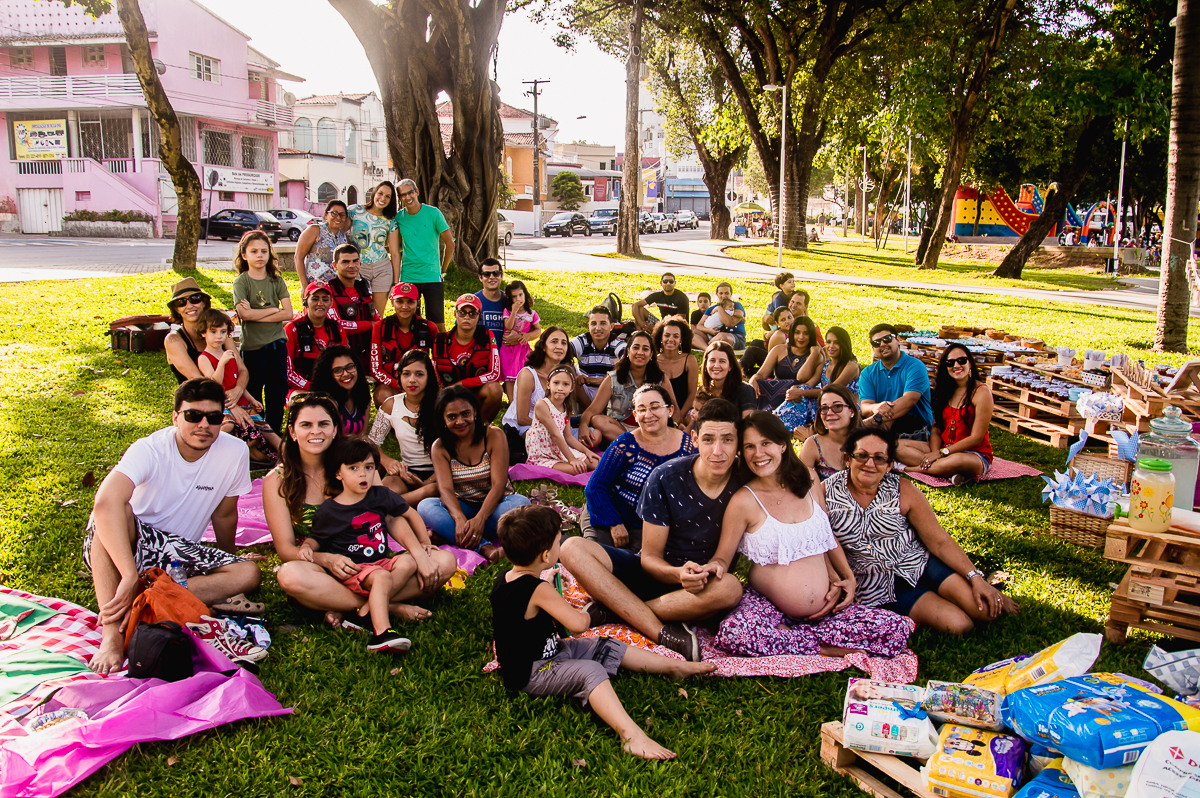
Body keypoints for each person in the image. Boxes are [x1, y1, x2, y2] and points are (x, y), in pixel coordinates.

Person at [490, 505, 714, 761]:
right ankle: (630, 735)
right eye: (557, 542)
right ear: (545, 555)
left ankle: (671, 667)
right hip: (532, 672)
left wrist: (548, 586)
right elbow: (576, 625)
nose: (559, 544)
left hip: (547, 650)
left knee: (600, 644)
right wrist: (588, 614)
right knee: (591, 670)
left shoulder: (506, 579)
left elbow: (523, 606)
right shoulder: (539, 590)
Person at [83, 378, 261, 675]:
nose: (203, 425)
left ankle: (145, 601)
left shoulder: (235, 452)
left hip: (177, 553)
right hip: (131, 541)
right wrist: (128, 574)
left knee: (248, 573)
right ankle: (112, 636)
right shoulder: (149, 449)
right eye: (193, 416)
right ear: (176, 416)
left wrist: (230, 559)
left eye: (213, 418)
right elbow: (104, 504)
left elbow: (226, 515)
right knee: (109, 516)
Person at [559, 399, 747, 662]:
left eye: (727, 440)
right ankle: (659, 631)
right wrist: (678, 573)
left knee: (731, 588)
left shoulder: (746, 480)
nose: (717, 451)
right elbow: (649, 560)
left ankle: (616, 611)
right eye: (708, 439)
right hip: (655, 575)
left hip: (702, 587)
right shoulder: (665, 477)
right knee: (571, 548)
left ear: (739, 442)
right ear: (694, 438)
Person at [713, 413, 912, 658]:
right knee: (736, 633)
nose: (758, 453)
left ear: (783, 445)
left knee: (896, 628)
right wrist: (709, 569)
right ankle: (819, 646)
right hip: (767, 606)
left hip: (825, 607)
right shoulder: (743, 500)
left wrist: (847, 578)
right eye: (749, 446)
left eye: (766, 443)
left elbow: (827, 536)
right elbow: (722, 557)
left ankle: (792, 639)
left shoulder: (808, 480)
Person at [266, 393, 455, 627]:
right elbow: (285, 549)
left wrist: (419, 554)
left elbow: (390, 517)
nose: (316, 431)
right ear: (293, 432)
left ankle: (357, 606)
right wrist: (326, 559)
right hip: (318, 570)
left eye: (323, 424)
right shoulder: (277, 480)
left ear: (335, 429)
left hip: (372, 567)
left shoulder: (359, 465)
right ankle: (388, 606)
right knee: (289, 575)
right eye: (306, 425)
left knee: (444, 561)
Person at [824, 427, 1019, 633]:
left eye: (880, 458)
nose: (870, 464)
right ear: (848, 458)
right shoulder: (824, 493)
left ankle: (972, 581)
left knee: (986, 610)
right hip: (876, 584)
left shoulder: (903, 489)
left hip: (919, 563)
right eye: (862, 456)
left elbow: (939, 541)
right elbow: (819, 545)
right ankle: (936, 595)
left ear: (890, 465)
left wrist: (976, 578)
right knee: (959, 625)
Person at [301, 437, 448, 653]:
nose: (363, 474)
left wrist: (424, 543)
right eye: (353, 468)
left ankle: (365, 610)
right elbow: (316, 539)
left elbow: (411, 514)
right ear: (338, 474)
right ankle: (381, 633)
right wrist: (307, 547)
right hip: (355, 570)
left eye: (369, 467)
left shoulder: (380, 495)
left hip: (380, 562)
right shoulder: (330, 510)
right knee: (381, 576)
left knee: (407, 561)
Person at [417, 385, 530, 563]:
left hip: (497, 505)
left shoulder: (493, 435)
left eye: (465, 414)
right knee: (425, 506)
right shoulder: (439, 447)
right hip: (463, 505)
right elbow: (445, 489)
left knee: (521, 504)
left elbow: (499, 485)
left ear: (475, 412)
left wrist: (480, 519)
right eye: (452, 417)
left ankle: (451, 535)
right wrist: (460, 518)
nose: (460, 421)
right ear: (443, 419)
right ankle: (483, 546)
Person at [582, 384, 697, 552]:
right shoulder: (625, 444)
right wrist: (614, 523)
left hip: (661, 528)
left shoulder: (688, 447)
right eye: (641, 410)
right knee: (597, 558)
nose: (648, 415)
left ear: (670, 410)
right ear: (635, 416)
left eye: (655, 407)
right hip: (619, 517)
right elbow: (596, 487)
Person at [897, 344, 995, 485]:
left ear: (970, 363)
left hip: (974, 454)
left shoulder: (981, 392)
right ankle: (949, 472)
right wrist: (935, 452)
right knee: (897, 446)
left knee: (956, 460)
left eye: (961, 360)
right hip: (944, 448)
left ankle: (907, 469)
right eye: (950, 362)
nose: (956, 365)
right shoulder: (944, 390)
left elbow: (976, 438)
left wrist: (941, 453)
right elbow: (936, 429)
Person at [196, 308, 281, 462]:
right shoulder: (204, 358)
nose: (218, 337)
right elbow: (214, 384)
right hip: (224, 405)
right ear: (203, 333)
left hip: (243, 403)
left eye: (222, 332)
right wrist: (221, 364)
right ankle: (208, 455)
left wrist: (251, 398)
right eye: (213, 332)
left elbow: (237, 383)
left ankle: (292, 457)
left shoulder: (231, 354)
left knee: (269, 432)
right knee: (227, 427)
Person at [231, 231, 292, 433]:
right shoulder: (242, 281)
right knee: (254, 391)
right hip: (253, 348)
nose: (260, 255)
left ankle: (273, 431)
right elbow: (243, 315)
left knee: (277, 392)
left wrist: (256, 312)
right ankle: (255, 431)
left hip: (277, 345)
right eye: (254, 251)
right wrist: (274, 310)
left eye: (264, 251)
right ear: (244, 255)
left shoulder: (276, 281)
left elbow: (289, 313)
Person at [579, 331, 678, 448]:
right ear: (628, 351)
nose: (640, 352)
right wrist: (583, 426)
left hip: (650, 427)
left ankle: (635, 445)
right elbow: (592, 411)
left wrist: (672, 426)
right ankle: (639, 446)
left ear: (651, 355)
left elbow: (675, 410)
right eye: (635, 348)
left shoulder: (660, 378)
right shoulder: (613, 378)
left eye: (645, 349)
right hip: (620, 430)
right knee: (598, 420)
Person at [369, 349, 441, 502]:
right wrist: (385, 460)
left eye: (419, 374)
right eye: (406, 374)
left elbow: (456, 450)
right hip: (407, 472)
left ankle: (390, 505)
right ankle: (407, 501)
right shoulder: (391, 404)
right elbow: (371, 442)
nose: (412, 380)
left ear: (429, 376)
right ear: (399, 376)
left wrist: (425, 483)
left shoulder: (442, 404)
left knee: (432, 489)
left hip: (440, 473)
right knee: (388, 484)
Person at [430, 294, 503, 423]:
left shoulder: (487, 336)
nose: (466, 317)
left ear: (480, 316)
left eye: (472, 314)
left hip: (475, 394)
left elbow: (495, 374)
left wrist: (461, 385)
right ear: (455, 314)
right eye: (462, 313)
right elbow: (433, 375)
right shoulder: (441, 340)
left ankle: (481, 428)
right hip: (447, 395)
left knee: (495, 389)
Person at [395, 178, 454, 330]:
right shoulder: (398, 218)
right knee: (410, 321)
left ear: (417, 192)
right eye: (403, 195)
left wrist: (443, 269)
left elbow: (450, 243)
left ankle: (440, 353)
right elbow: (394, 248)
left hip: (432, 276)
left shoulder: (433, 213)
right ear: (400, 198)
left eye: (410, 192)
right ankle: (415, 353)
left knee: (437, 323)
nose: (407, 197)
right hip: (408, 277)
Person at [860, 323, 933, 441]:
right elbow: (865, 406)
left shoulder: (915, 366)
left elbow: (909, 401)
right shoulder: (867, 373)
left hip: (915, 427)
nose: (882, 344)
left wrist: (874, 420)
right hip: (881, 426)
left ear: (898, 339)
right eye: (876, 343)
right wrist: (876, 407)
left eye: (887, 339)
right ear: (873, 348)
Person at [369, 281, 435, 408]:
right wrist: (400, 385)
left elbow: (438, 362)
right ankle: (394, 426)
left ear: (417, 303)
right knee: (382, 394)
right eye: (400, 301)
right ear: (392, 301)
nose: (405, 306)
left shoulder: (429, 327)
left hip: (420, 384)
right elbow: (375, 369)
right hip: (391, 385)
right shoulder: (380, 327)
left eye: (410, 302)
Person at [501, 326, 574, 438]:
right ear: (543, 347)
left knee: (594, 432)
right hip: (527, 426)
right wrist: (555, 429)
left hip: (556, 427)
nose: (559, 346)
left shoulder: (566, 375)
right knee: (550, 439)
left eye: (564, 343)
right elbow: (522, 418)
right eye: (554, 342)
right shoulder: (528, 375)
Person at [525, 366, 601, 474]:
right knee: (576, 469)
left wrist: (587, 452)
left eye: (565, 384)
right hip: (543, 454)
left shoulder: (566, 408)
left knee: (595, 463)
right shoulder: (542, 405)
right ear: (548, 385)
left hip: (558, 450)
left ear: (571, 388)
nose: (560, 388)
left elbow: (568, 437)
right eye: (556, 383)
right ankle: (561, 464)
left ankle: (567, 462)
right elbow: (555, 434)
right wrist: (572, 459)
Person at [748, 316, 824, 412]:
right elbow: (762, 374)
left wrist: (813, 355)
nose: (801, 337)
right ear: (791, 333)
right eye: (797, 332)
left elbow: (805, 382)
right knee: (753, 386)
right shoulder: (779, 350)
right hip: (773, 394)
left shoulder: (817, 357)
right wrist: (753, 379)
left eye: (806, 333)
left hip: (797, 398)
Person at [347, 181, 401, 315]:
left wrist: (395, 283)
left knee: (376, 314)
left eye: (388, 196)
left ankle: (375, 336)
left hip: (381, 268)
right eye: (380, 193)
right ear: (374, 193)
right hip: (357, 267)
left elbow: (394, 253)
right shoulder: (354, 211)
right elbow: (341, 233)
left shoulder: (390, 221)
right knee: (356, 312)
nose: (382, 198)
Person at [285, 282, 347, 394]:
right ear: (305, 302)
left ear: (331, 303)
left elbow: (346, 363)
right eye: (315, 299)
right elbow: (286, 371)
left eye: (325, 299)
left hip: (331, 385)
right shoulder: (292, 329)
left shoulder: (337, 328)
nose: (320, 303)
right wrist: (314, 388)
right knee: (304, 402)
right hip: (300, 388)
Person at [325, 243, 379, 363]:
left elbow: (377, 320)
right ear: (334, 265)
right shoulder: (328, 291)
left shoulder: (363, 287)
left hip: (366, 354)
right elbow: (337, 325)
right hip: (340, 356)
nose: (352, 266)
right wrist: (369, 325)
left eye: (355, 261)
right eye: (345, 262)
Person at [799, 384, 862, 481]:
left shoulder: (868, 441)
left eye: (837, 406)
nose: (829, 412)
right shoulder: (813, 444)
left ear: (852, 411)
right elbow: (799, 484)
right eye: (824, 408)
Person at [690, 341, 755, 426]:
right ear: (706, 364)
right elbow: (694, 426)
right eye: (712, 360)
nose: (716, 365)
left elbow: (748, 427)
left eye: (722, 361)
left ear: (730, 366)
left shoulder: (745, 390)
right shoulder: (703, 391)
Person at [310, 345, 371, 436]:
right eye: (338, 370)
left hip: (357, 448)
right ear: (328, 375)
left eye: (350, 367)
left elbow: (363, 434)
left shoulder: (363, 394)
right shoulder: (327, 403)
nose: (346, 374)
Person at [571, 305, 626, 404]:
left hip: (609, 391)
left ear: (611, 326)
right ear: (588, 326)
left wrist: (601, 380)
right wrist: (574, 375)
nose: (598, 328)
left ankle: (592, 414)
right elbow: (563, 353)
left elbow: (628, 359)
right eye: (593, 323)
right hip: (584, 390)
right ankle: (591, 413)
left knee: (625, 367)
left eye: (603, 323)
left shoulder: (617, 343)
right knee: (566, 371)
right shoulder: (582, 340)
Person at [499, 280, 541, 400]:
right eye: (514, 296)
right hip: (508, 348)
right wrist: (514, 312)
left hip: (522, 348)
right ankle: (511, 402)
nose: (518, 299)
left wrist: (528, 335)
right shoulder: (508, 311)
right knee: (508, 376)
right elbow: (508, 326)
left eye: (520, 295)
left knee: (522, 373)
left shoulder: (531, 314)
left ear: (525, 294)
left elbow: (538, 330)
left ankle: (522, 400)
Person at [295, 200, 349, 290]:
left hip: (338, 288)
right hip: (316, 287)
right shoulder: (315, 230)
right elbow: (298, 257)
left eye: (342, 215)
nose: (338, 217)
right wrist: (304, 285)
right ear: (326, 215)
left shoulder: (344, 237)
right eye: (334, 213)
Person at [653, 318, 698, 425]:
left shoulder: (689, 360)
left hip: (685, 412)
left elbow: (692, 394)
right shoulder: (654, 362)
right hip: (660, 411)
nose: (671, 339)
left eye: (676, 336)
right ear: (661, 338)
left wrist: (680, 415)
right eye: (667, 335)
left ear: (681, 340)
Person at [740, 306, 795, 376]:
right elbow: (771, 360)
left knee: (753, 349)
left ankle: (745, 372)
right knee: (752, 350)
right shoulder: (779, 335)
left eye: (789, 317)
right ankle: (739, 370)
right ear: (777, 323)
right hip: (778, 368)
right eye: (783, 320)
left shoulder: (797, 331)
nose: (787, 321)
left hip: (791, 368)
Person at [692, 282, 746, 350]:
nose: (723, 296)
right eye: (721, 293)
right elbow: (699, 326)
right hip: (712, 336)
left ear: (731, 294)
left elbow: (729, 323)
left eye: (726, 293)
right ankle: (708, 349)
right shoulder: (711, 309)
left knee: (722, 336)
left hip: (734, 337)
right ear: (717, 294)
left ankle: (710, 346)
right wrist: (709, 331)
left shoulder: (736, 305)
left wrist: (719, 309)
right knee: (692, 334)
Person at [474, 257, 506, 346]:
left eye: (496, 273)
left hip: (506, 357)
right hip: (480, 355)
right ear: (480, 277)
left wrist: (524, 336)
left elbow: (534, 328)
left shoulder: (511, 301)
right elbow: (459, 330)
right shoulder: (473, 301)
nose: (492, 277)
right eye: (487, 274)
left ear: (501, 276)